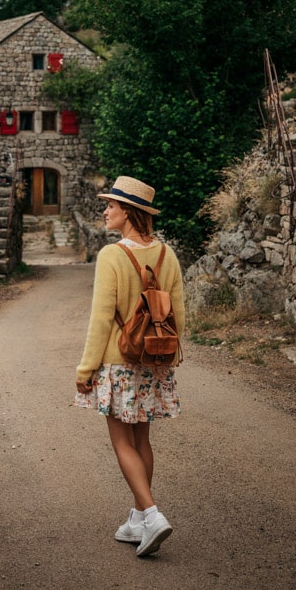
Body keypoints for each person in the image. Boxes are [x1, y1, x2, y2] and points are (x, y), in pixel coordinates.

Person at [74, 175, 184, 557]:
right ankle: (137, 521)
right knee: (142, 441)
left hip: (118, 362)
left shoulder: (112, 256)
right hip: (153, 362)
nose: (105, 212)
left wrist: (85, 370)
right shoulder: (167, 255)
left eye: (111, 206)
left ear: (129, 213)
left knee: (122, 442)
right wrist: (162, 357)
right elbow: (179, 317)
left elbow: (101, 319)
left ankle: (152, 515)